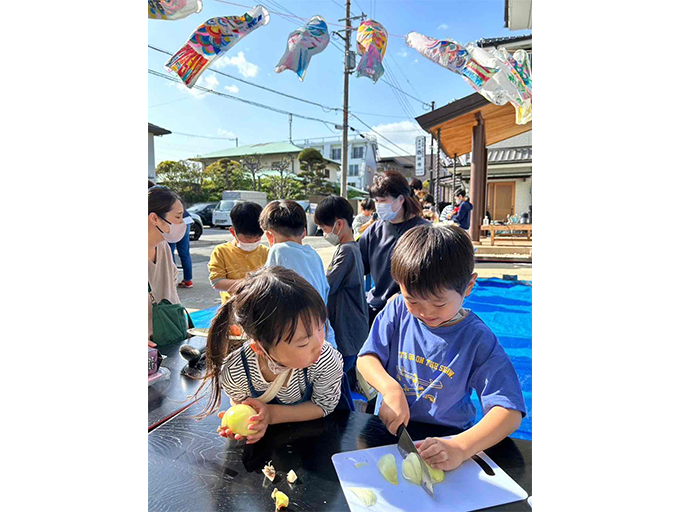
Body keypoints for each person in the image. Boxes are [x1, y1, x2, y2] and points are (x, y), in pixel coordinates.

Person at [357, 225, 525, 470]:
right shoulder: (397, 309)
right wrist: (390, 388)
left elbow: (509, 412)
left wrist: (461, 447)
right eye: (413, 300)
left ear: (469, 287)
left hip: (449, 438)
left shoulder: (477, 339)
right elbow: (367, 358)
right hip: (393, 431)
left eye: (438, 304)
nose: (425, 313)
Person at [196, 267, 344, 444]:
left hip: (315, 440)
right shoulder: (236, 371)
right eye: (303, 343)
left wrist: (270, 415)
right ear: (259, 347)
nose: (318, 344)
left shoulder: (325, 359)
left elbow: (322, 405)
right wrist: (250, 421)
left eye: (320, 328)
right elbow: (240, 402)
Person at [260, 200, 336, 348]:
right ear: (304, 232)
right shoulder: (313, 254)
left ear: (269, 236)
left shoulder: (278, 251)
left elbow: (266, 295)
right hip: (325, 338)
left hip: (301, 344)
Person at [314, 195, 370, 392]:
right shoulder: (350, 249)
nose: (324, 234)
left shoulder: (346, 251)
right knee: (345, 381)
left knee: (335, 383)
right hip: (354, 329)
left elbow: (326, 285)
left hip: (348, 331)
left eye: (324, 229)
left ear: (339, 224)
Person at [359, 171, 429, 326]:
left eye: (383, 200)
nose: (379, 205)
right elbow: (357, 268)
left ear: (401, 199)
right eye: (376, 200)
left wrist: (402, 297)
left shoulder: (424, 232)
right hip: (377, 309)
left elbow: (430, 278)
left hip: (411, 312)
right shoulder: (373, 231)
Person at [208, 201, 269, 305]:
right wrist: (251, 284)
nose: (253, 242)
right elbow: (217, 283)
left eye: (258, 238)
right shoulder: (221, 252)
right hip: (232, 307)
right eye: (248, 238)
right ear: (233, 232)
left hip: (259, 306)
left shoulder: (266, 252)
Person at [148, 186, 186, 347]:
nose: (182, 223)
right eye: (178, 217)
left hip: (171, 335)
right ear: (154, 218)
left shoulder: (163, 246)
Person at [169, 208, 195, 288]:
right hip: (186, 219)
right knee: (185, 253)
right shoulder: (173, 200)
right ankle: (188, 280)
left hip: (172, 221)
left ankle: (172, 280)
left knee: (169, 252)